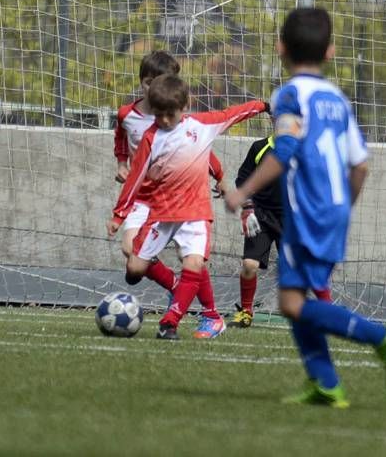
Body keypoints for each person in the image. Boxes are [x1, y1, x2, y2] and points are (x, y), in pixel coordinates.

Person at [225, 8, 386, 407]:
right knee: (295, 296)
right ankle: (325, 383)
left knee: (291, 302)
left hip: (306, 210)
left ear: (280, 48)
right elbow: (360, 165)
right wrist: (342, 208)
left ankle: (384, 337)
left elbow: (286, 149)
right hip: (334, 208)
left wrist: (243, 194)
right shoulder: (338, 100)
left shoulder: (289, 94)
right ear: (330, 52)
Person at [108, 74, 267, 340]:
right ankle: (186, 293)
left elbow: (234, 113)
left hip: (195, 214)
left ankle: (170, 322)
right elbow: (135, 177)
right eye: (159, 115)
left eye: (170, 114)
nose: (165, 121)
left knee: (193, 264)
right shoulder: (151, 137)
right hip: (162, 214)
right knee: (135, 268)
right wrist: (118, 215)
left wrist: (264, 105)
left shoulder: (202, 125)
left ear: (184, 107)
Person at [114, 50, 226, 307]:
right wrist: (122, 163)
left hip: (178, 198)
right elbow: (120, 138)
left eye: (163, 82)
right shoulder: (126, 115)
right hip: (143, 198)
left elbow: (200, 151)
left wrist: (219, 175)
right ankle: (175, 287)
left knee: (189, 254)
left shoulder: (181, 121)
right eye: (149, 83)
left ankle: (209, 311)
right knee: (130, 251)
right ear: (142, 81)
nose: (155, 89)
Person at [230, 132, 332, 329]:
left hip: (292, 218)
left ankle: (328, 312)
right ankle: (246, 312)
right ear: (273, 121)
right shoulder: (259, 147)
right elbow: (242, 179)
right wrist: (247, 208)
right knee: (249, 265)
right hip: (261, 217)